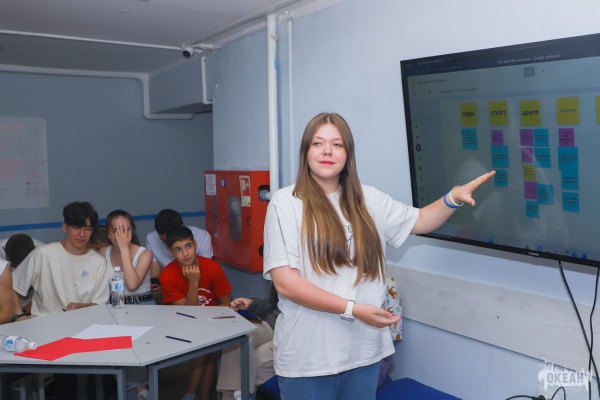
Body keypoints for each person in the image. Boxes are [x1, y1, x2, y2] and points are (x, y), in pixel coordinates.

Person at [263, 112, 495, 400]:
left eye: (337, 144)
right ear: (305, 151)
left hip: (364, 355)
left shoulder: (369, 199)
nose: (327, 151)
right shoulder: (286, 203)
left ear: (348, 153)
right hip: (309, 360)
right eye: (317, 143)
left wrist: (453, 198)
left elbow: (421, 220)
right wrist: (352, 309)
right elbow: (286, 283)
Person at [159, 226, 232, 400]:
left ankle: (191, 394)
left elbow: (227, 304)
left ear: (196, 245)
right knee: (207, 346)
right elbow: (189, 315)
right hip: (183, 325)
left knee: (208, 344)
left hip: (213, 321)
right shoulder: (167, 275)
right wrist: (193, 282)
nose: (185, 253)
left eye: (188, 246)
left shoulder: (212, 267)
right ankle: (195, 395)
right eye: (178, 249)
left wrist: (210, 320)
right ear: (170, 252)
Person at [12, 201, 111, 316]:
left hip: (84, 322)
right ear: (64, 227)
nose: (82, 234)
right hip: (44, 323)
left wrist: (81, 307)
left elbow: (101, 304)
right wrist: (19, 315)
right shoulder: (43, 254)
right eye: (77, 227)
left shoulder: (99, 262)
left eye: (88, 229)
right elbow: (12, 287)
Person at [98, 210, 155, 400]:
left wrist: (123, 250)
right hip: (114, 308)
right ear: (108, 234)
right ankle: (139, 390)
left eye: (127, 230)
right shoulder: (102, 253)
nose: (122, 235)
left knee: (128, 339)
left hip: (142, 307)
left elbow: (131, 284)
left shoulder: (144, 253)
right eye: (116, 231)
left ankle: (140, 391)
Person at [217, 285, 280, 400]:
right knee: (238, 334)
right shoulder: (283, 274)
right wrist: (252, 303)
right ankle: (241, 394)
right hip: (271, 324)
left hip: (289, 335)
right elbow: (272, 302)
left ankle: (241, 394)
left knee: (242, 361)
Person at [146, 209, 214, 303]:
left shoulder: (202, 236)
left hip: (200, 286)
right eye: (164, 240)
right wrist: (157, 287)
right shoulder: (151, 238)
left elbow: (207, 270)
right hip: (169, 286)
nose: (169, 244)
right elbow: (155, 274)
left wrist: (192, 283)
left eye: (188, 246)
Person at [4, 234, 38, 314]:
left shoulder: (43, 254)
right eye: (14, 266)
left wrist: (22, 312)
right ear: (4, 249)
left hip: (32, 306)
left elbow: (46, 295)